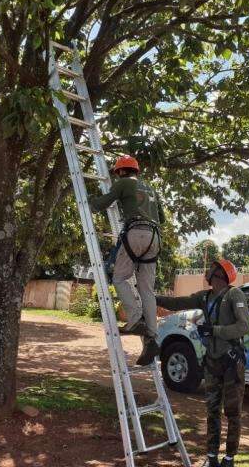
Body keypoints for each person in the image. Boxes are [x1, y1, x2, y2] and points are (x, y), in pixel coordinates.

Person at [156, 259, 249, 467]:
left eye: (211, 269)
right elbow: (179, 303)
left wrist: (215, 331)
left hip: (232, 362)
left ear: (220, 274)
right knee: (212, 410)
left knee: (233, 411)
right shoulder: (205, 297)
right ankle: (212, 456)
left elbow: (243, 327)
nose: (207, 271)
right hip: (213, 360)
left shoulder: (234, 295)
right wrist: (154, 299)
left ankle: (230, 458)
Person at [89, 155, 164, 366]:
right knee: (147, 289)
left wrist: (89, 202)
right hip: (155, 237)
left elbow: (102, 204)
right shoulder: (150, 187)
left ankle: (135, 319)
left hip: (136, 233)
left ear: (121, 171)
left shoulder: (123, 183)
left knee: (120, 278)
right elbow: (162, 218)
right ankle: (151, 337)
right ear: (136, 170)